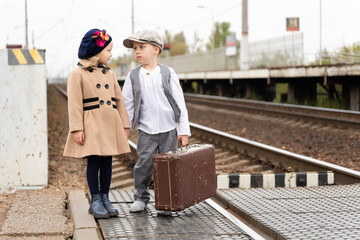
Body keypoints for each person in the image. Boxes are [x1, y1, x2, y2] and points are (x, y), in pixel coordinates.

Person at [63, 28, 131, 219]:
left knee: (107, 161)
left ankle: (105, 197)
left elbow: (119, 100)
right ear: (96, 52)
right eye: (108, 50)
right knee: (94, 161)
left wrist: (124, 124)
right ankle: (95, 200)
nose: (111, 54)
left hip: (109, 121)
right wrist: (77, 128)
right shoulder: (77, 74)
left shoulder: (108, 74)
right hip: (91, 123)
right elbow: (74, 104)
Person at [122, 29, 191, 213]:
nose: (137, 51)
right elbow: (127, 104)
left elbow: (179, 102)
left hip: (169, 129)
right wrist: (125, 127)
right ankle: (141, 197)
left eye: (141, 47)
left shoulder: (168, 73)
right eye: (135, 48)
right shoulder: (132, 76)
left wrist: (183, 130)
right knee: (144, 164)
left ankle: (166, 201)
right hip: (147, 129)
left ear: (156, 50)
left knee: (167, 166)